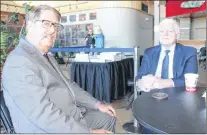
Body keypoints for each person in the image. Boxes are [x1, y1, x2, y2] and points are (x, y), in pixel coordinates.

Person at [2, 5, 116, 134]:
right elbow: (43, 115)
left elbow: (70, 86)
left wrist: (97, 105)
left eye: (55, 26)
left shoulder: (46, 56)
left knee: (108, 117)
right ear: (29, 25)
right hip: (48, 129)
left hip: (71, 116)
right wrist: (88, 132)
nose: (52, 30)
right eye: (46, 24)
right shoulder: (19, 62)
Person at [136, 18, 198, 133]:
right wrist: (141, 83)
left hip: (178, 100)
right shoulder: (149, 52)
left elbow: (190, 78)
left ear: (177, 34)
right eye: (162, 31)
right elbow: (139, 77)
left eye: (169, 31)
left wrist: (164, 82)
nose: (165, 34)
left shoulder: (189, 52)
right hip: (151, 98)